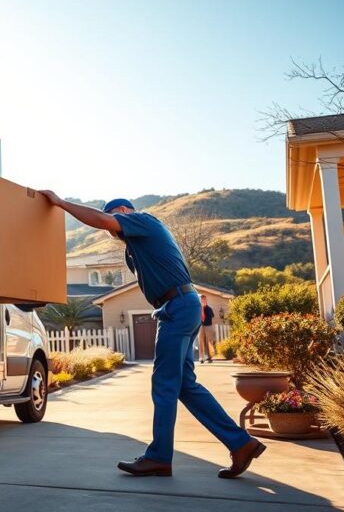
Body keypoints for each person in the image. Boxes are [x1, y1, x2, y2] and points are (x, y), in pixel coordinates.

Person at [37, 193, 264, 479]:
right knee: (184, 386)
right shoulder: (134, 248)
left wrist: (60, 203)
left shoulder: (142, 221)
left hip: (178, 306)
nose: (111, 232)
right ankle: (241, 443)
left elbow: (102, 219)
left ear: (123, 211)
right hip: (177, 307)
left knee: (164, 383)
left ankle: (158, 457)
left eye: (113, 223)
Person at [199, 294, 216, 364]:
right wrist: (201, 308)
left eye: (204, 299)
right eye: (201, 300)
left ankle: (210, 357)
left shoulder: (209, 309)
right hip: (201, 326)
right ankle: (202, 357)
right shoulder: (198, 309)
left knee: (209, 342)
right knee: (201, 342)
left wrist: (203, 309)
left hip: (208, 326)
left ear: (206, 300)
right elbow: (200, 319)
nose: (202, 301)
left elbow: (205, 319)